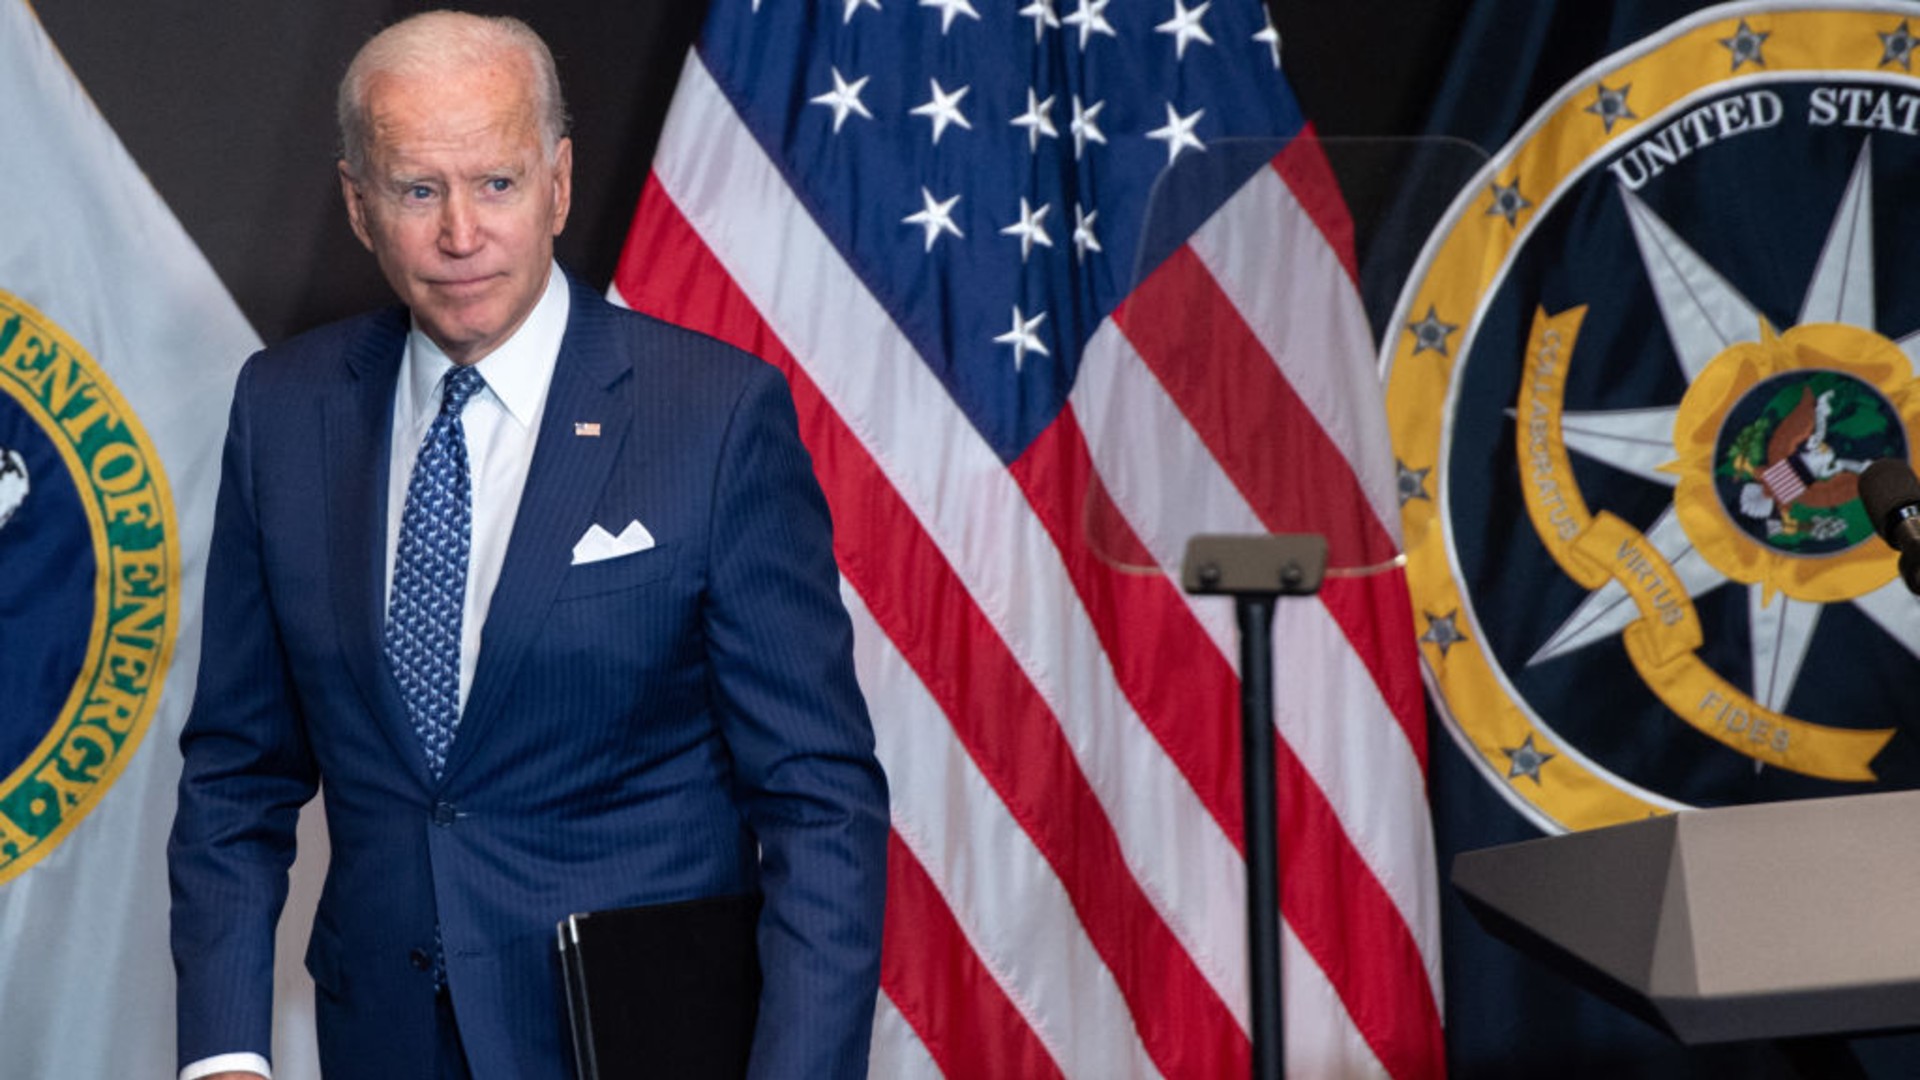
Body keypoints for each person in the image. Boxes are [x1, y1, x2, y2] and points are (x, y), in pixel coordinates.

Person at [167, 12, 889, 1080]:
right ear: (359, 206)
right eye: (418, 190)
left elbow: (821, 804)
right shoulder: (285, 410)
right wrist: (224, 1052)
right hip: (383, 1042)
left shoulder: (713, 414)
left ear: (557, 182)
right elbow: (236, 770)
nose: (462, 233)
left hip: (638, 1043)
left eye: (496, 184)